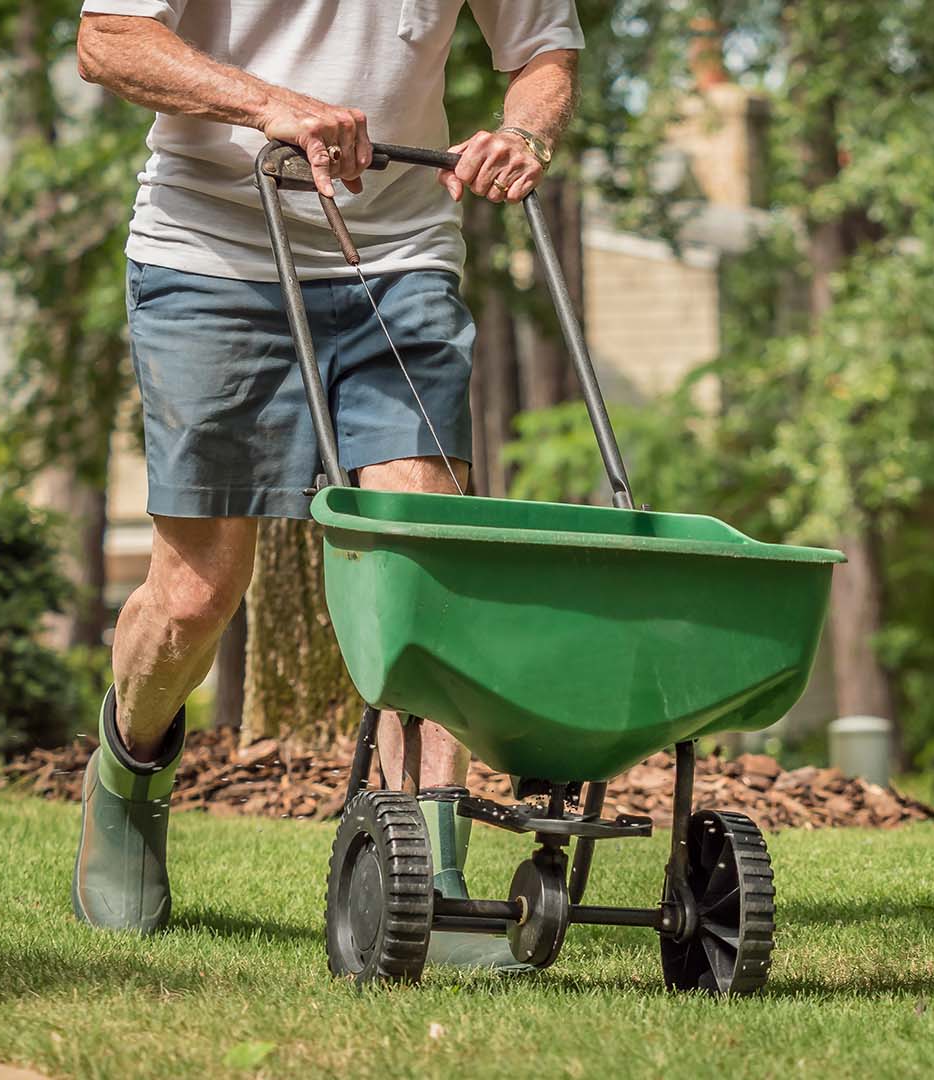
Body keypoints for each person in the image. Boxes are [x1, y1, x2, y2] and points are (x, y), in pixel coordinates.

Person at [69, 0, 580, 967]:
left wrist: (524, 132)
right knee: (195, 596)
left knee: (421, 573)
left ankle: (428, 873)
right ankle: (128, 778)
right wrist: (269, 103)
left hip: (400, 258)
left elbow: (544, 49)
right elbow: (108, 39)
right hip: (211, 256)